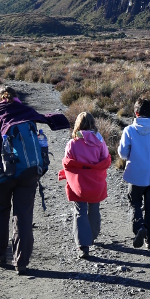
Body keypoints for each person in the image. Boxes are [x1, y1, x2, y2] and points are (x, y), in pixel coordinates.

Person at [0, 86, 70, 274]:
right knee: (23, 215)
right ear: (16, 98)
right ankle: (21, 262)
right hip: (29, 170)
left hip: (4, 172)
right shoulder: (26, 111)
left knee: (0, 210)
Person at [117, 98, 150, 249]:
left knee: (134, 203)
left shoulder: (129, 130)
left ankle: (140, 227)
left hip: (135, 175)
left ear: (136, 113)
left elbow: (122, 153)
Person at [58, 111, 111, 259]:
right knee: (94, 208)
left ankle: (83, 245)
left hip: (78, 184)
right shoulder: (100, 142)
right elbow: (106, 160)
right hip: (96, 183)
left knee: (79, 211)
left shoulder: (72, 143)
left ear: (78, 125)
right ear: (93, 124)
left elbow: (67, 163)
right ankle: (92, 236)